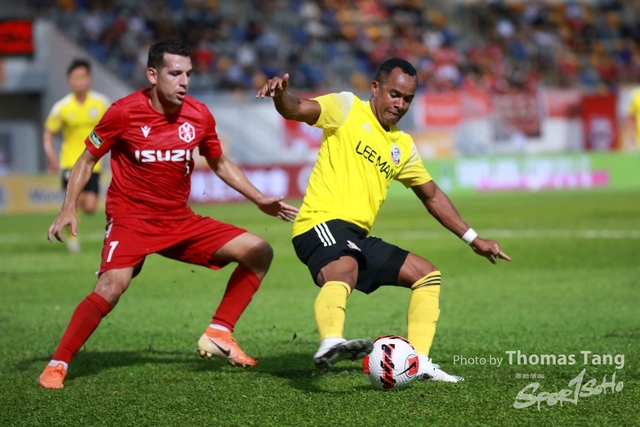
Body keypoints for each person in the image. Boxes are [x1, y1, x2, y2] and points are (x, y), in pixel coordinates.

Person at [37, 40, 299, 389]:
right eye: (175, 73)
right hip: (131, 219)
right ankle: (57, 364)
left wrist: (259, 198)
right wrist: (68, 206)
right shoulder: (123, 112)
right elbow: (87, 159)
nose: (184, 81)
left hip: (179, 220)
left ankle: (219, 331)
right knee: (112, 286)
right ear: (152, 75)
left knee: (259, 250)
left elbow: (219, 162)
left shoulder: (199, 114)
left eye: (188, 74)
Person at [256, 58, 511, 382]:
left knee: (426, 275)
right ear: (375, 88)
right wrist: (281, 95)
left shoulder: (402, 145)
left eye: (407, 99)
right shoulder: (347, 108)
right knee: (345, 267)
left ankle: (419, 362)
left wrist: (474, 239)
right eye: (394, 94)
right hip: (319, 223)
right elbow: (297, 108)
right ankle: (331, 341)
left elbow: (432, 196)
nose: (400, 104)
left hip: (356, 236)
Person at [43, 59, 111, 252]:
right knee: (74, 199)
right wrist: (51, 157)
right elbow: (48, 132)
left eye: (83, 77)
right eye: (76, 77)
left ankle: (72, 210)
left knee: (90, 206)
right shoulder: (62, 107)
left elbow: (112, 127)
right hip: (70, 162)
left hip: (93, 162)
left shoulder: (101, 103)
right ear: (69, 81)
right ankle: (72, 239)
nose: (80, 81)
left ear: (89, 79)